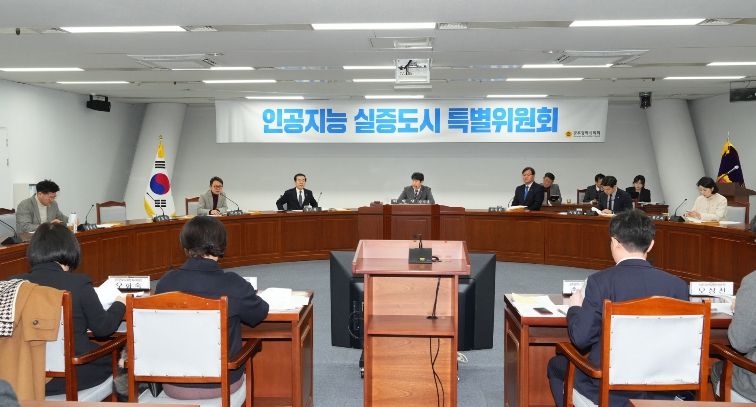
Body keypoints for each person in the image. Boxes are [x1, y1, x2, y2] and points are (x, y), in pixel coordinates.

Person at [547, 209, 689, 407]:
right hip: (663, 394)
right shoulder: (678, 286)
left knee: (556, 365)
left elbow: (581, 339)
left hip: (610, 394)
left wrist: (575, 308)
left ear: (614, 242)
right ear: (651, 244)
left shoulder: (599, 282)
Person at [155, 216, 269, 399]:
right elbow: (260, 313)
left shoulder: (166, 283)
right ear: (222, 245)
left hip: (173, 385)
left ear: (185, 244)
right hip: (223, 385)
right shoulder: (233, 284)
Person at [13, 223, 126, 396]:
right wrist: (120, 304)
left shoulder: (14, 284)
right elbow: (103, 329)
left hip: (24, 376)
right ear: (70, 250)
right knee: (119, 356)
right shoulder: (78, 284)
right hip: (72, 375)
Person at [710, 270, 756, 402]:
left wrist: (739, 311)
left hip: (752, 388)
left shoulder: (753, 281)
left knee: (717, 369)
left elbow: (740, 343)